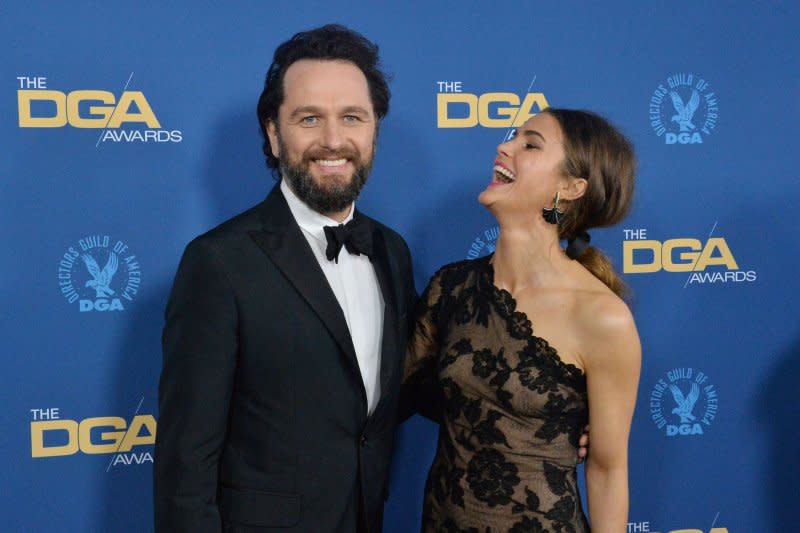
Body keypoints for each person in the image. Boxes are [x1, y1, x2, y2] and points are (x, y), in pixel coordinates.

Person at [153, 25, 416, 533]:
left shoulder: (392, 251)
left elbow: (406, 387)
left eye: (352, 118)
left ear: (373, 130)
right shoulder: (218, 262)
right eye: (309, 118)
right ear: (274, 134)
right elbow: (187, 463)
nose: (333, 140)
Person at [403, 108, 641, 532]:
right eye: (513, 136)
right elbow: (390, 392)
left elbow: (607, 471)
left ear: (571, 187)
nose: (504, 146)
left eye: (529, 144)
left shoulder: (603, 317)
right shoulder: (452, 288)